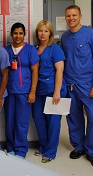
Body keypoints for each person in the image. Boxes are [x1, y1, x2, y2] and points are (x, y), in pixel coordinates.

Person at [61, 5, 93, 169]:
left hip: (88, 85)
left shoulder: (91, 35)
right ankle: (78, 146)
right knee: (73, 118)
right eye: (68, 16)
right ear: (65, 18)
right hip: (70, 84)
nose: (71, 18)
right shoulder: (65, 37)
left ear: (80, 16)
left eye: (74, 15)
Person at [31, 20, 67, 163]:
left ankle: (50, 152)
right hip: (38, 90)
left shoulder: (55, 49)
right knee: (39, 120)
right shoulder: (35, 49)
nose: (43, 33)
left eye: (46, 31)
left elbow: (60, 70)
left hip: (53, 90)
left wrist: (57, 92)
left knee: (53, 122)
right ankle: (44, 145)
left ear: (50, 33)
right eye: (40, 30)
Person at [4, 22, 39, 158]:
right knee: (10, 121)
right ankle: (10, 147)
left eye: (20, 33)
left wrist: (32, 91)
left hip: (24, 91)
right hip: (9, 91)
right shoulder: (6, 50)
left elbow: (35, 71)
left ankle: (21, 150)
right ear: (11, 34)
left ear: (24, 34)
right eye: (15, 33)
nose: (18, 36)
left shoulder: (30, 50)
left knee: (22, 121)